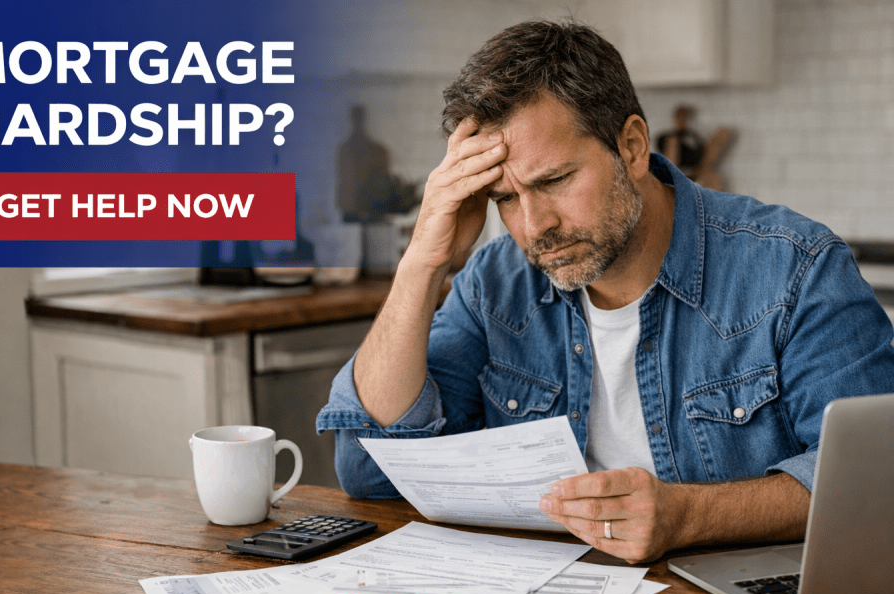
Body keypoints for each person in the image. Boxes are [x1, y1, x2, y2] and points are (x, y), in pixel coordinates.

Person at [315, 21, 894, 563]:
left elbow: (875, 484)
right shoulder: (493, 284)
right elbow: (369, 469)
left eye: (555, 181)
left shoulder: (795, 268)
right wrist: (424, 260)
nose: (535, 225)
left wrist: (689, 516)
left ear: (634, 147)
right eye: (506, 200)